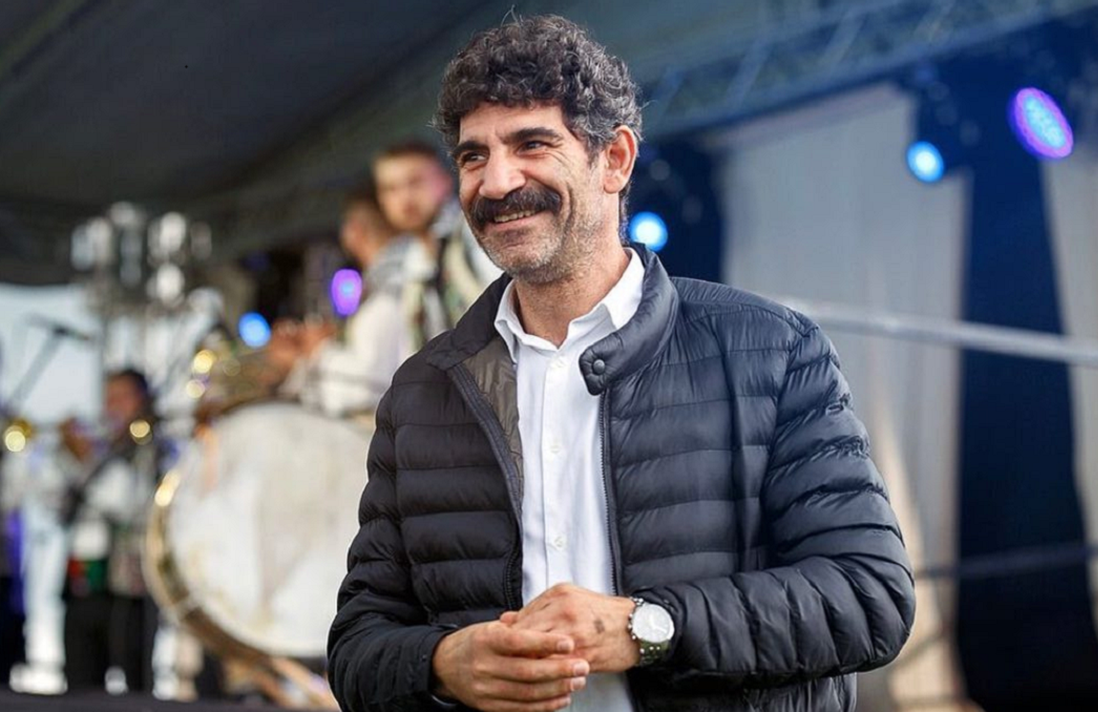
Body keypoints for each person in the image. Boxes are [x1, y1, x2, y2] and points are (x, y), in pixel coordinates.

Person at [329, 15, 914, 712]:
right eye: (473, 155)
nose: (497, 181)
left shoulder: (773, 351)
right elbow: (357, 646)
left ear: (615, 160)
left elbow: (869, 597)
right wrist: (440, 662)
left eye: (532, 144)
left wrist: (645, 627)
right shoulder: (421, 394)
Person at [59, 368, 164, 693]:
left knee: (134, 680)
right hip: (84, 577)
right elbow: (53, 500)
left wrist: (86, 458)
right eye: (108, 398)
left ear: (142, 401)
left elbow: (130, 504)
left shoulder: (152, 448)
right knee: (79, 679)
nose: (112, 407)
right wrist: (67, 455)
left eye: (122, 397)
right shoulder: (98, 444)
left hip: (128, 588)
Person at [268, 186, 409, 417]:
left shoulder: (390, 289)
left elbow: (366, 390)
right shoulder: (391, 282)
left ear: (354, 231)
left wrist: (318, 350)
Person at [372, 140, 499, 353]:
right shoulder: (409, 265)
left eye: (415, 182)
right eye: (390, 189)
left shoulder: (476, 233)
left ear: (446, 179)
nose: (405, 198)